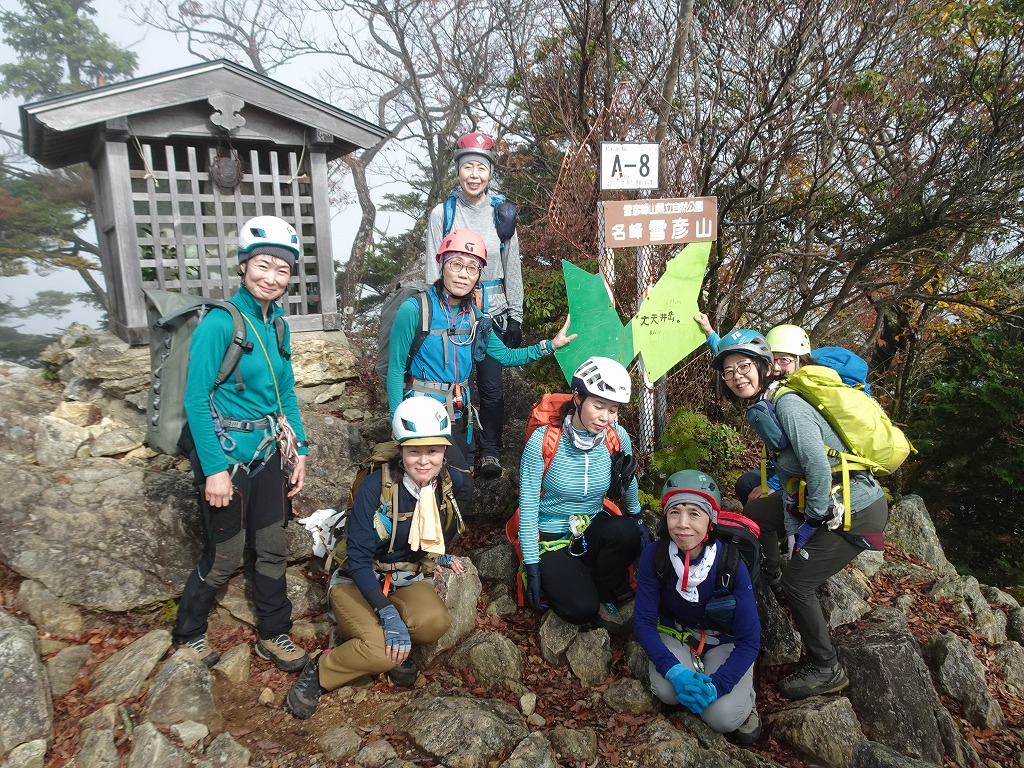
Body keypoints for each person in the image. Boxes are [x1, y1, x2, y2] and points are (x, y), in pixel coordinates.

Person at [713, 329, 888, 699]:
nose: (737, 376)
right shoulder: (766, 402)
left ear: (764, 366)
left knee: (800, 583)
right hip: (821, 498)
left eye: (744, 367)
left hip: (853, 507)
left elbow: (817, 465)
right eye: (728, 372)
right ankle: (772, 577)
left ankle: (827, 667)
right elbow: (799, 470)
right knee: (756, 513)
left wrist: (811, 522)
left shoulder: (788, 404)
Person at [173, 215, 310, 672]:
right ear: (244, 265)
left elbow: (285, 393)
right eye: (263, 265)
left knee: (272, 546)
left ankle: (274, 632)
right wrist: (213, 469)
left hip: (267, 452)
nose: (272, 277)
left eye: (282, 269)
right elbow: (196, 399)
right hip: (227, 454)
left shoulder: (278, 327)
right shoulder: (220, 323)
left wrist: (300, 449)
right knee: (225, 554)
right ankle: (188, 633)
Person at [285, 397, 466, 719]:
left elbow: (433, 530)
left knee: (435, 623)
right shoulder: (375, 487)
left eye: (433, 451)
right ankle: (323, 667)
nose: (424, 461)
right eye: (414, 451)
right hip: (357, 579)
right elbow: (357, 559)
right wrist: (387, 612)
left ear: (444, 449)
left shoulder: (446, 484)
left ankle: (392, 642)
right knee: (382, 653)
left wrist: (436, 557)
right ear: (400, 448)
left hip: (406, 576)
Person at [391, 228, 574, 517]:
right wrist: (397, 421)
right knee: (447, 487)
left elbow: (506, 356)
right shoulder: (414, 310)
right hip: (421, 414)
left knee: (455, 488)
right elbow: (394, 370)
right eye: (456, 264)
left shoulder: (476, 318)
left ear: (479, 275)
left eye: (472, 268)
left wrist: (549, 345)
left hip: (459, 414)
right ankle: (423, 542)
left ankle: (436, 541)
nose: (463, 274)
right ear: (442, 265)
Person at [518, 356, 645, 632]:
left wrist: (636, 515)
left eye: (613, 409)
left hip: (591, 526)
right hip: (551, 536)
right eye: (598, 406)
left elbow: (627, 477)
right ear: (577, 399)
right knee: (580, 609)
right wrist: (532, 565)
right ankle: (577, 582)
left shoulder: (616, 436)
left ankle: (603, 592)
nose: (605, 417)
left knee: (627, 531)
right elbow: (528, 505)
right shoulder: (544, 440)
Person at [633, 470, 761, 743]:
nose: (682, 524)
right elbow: (643, 622)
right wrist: (674, 670)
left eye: (694, 514)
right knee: (667, 691)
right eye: (674, 512)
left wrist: (719, 686)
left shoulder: (730, 563)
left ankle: (747, 699)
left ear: (710, 520)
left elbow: (750, 640)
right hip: (676, 634)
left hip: (723, 641)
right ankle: (691, 675)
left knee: (721, 716)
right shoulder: (655, 556)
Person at [425, 132, 524, 479]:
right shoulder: (443, 214)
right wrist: (434, 313)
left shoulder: (503, 214)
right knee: (457, 386)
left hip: (493, 312)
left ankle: (491, 452)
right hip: (454, 315)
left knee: (492, 389)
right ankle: (460, 453)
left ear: (490, 172)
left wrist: (516, 315)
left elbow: (512, 265)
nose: (474, 175)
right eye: (468, 167)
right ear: (458, 170)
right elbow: (432, 267)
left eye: (481, 168)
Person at [734, 323, 813, 505]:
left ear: (801, 360)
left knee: (757, 505)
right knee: (746, 484)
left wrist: (773, 484)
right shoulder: (777, 387)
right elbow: (736, 363)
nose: (776, 368)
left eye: (784, 360)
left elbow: (805, 455)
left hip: (806, 476)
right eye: (772, 360)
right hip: (781, 467)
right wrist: (710, 335)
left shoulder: (799, 398)